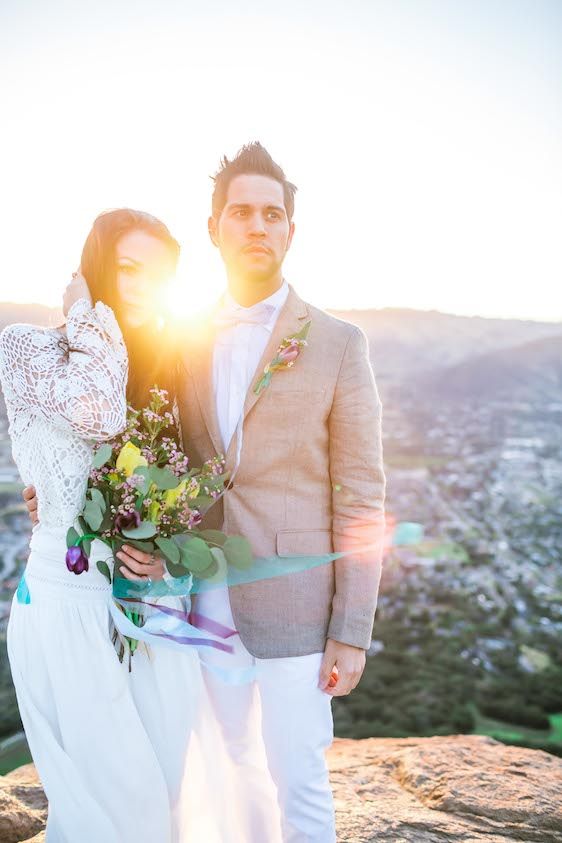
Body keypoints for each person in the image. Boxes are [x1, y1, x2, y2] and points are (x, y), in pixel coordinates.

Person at [117, 142, 386, 842]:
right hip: (205, 589)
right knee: (233, 759)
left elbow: (360, 496)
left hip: (298, 598)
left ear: (291, 231)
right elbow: (150, 450)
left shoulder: (337, 342)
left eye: (273, 214)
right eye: (241, 213)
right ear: (215, 228)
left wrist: (351, 630)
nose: (258, 226)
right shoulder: (181, 338)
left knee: (297, 766)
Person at [0, 209, 206, 843]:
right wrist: (90, 318)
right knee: (122, 814)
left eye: (160, 274)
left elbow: (196, 487)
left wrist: (173, 558)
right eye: (127, 269)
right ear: (91, 271)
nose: (144, 287)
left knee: (162, 800)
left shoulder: (179, 365)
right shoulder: (26, 345)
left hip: (159, 608)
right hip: (69, 605)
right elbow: (97, 408)